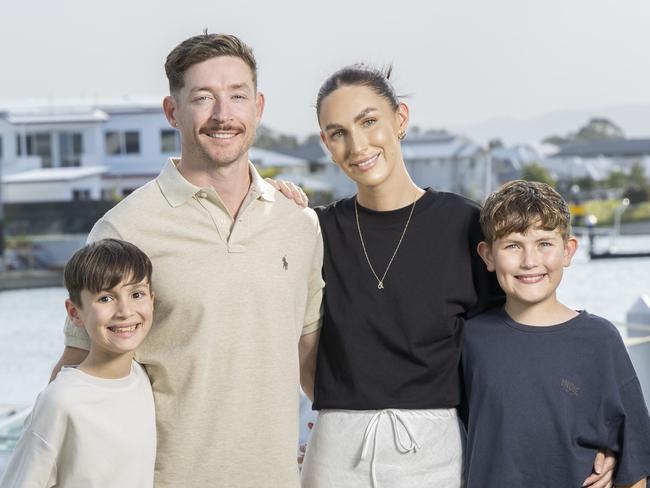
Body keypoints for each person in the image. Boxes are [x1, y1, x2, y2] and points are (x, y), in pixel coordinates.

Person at [298, 64, 617, 488]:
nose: (357, 144)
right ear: (325, 143)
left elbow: (524, 343)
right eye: (337, 132)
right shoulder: (313, 231)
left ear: (401, 119)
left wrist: (589, 439)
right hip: (336, 455)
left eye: (369, 121)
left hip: (437, 455)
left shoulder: (466, 226)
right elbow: (305, 351)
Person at [50, 33, 324, 488]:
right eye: (203, 98)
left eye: (237, 96)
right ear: (172, 111)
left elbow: (310, 361)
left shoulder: (298, 224)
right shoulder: (123, 230)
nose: (223, 115)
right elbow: (79, 369)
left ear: (258, 107)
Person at [463, 180, 650, 487]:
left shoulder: (601, 341)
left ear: (568, 250)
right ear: (488, 256)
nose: (529, 261)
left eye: (545, 244)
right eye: (512, 245)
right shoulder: (470, 339)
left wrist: (614, 463)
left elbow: (633, 464)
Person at [1, 239, 156, 487]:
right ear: (74, 313)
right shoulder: (61, 401)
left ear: (152, 300)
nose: (125, 310)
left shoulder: (141, 379)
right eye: (106, 298)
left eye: (136, 294)